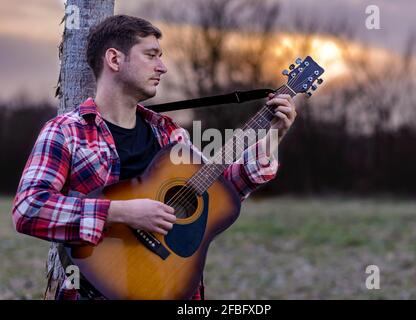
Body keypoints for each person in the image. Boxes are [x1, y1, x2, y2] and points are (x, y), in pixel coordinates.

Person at [11, 14, 297, 300]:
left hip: (170, 289)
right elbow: (28, 208)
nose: (163, 67)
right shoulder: (66, 132)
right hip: (93, 292)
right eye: (151, 55)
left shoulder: (170, 135)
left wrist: (272, 136)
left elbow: (221, 189)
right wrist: (122, 212)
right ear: (114, 59)